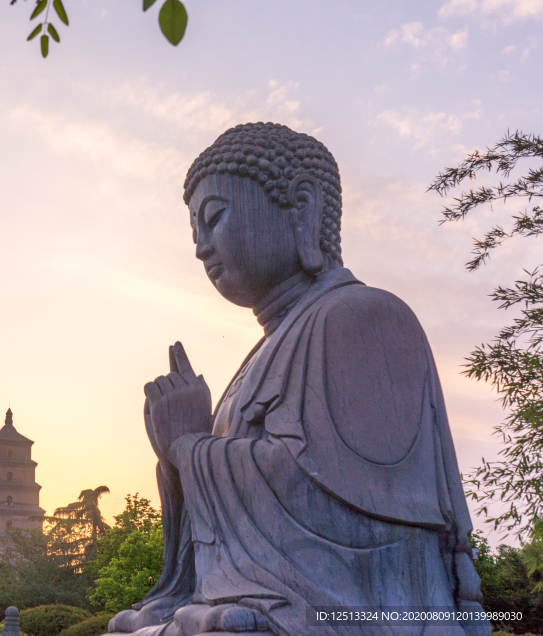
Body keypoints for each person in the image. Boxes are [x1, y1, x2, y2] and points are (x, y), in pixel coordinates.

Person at [107, 123, 489, 636]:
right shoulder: (264, 352)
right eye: (193, 231)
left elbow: (348, 514)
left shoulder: (363, 316)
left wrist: (189, 446)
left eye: (215, 218)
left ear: (302, 207)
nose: (201, 247)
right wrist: (178, 460)